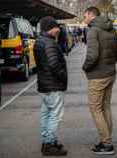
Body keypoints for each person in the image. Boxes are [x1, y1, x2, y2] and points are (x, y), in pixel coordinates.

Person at [82, 7, 117, 155]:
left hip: (97, 77)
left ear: (91, 15)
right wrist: (109, 63)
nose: (84, 18)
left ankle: (106, 144)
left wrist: (85, 68)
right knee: (105, 107)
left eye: (85, 15)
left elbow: (92, 56)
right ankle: (107, 140)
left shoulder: (93, 31)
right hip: (110, 74)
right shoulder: (111, 29)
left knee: (96, 109)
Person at [33, 16, 68, 156]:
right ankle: (49, 144)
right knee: (55, 115)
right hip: (53, 85)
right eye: (56, 27)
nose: (58, 29)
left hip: (44, 85)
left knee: (46, 114)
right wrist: (63, 76)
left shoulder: (39, 41)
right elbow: (54, 64)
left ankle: (47, 141)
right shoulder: (49, 43)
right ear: (50, 28)